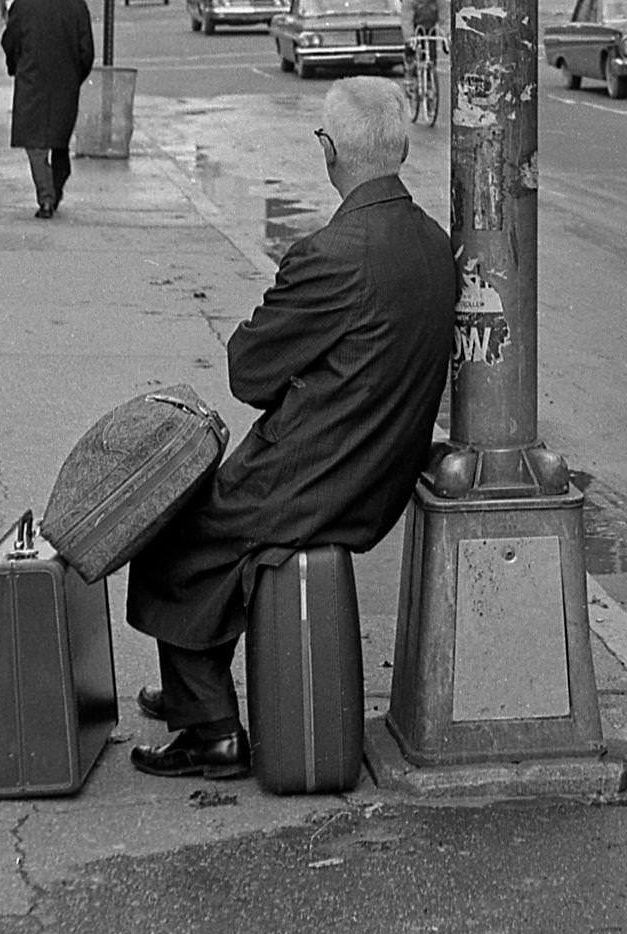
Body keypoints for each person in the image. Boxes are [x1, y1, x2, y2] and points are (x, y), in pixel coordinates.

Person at [125, 78, 456, 781]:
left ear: (328, 150)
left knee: (172, 539)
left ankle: (208, 730)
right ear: (397, 150)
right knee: (207, 534)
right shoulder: (432, 242)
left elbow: (249, 372)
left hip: (320, 474)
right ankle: (195, 689)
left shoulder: (333, 254)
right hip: (380, 468)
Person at [0, 0, 95, 219]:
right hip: (65, 85)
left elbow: (10, 42)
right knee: (59, 141)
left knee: (35, 145)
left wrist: (15, 67)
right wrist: (74, 77)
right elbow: (87, 52)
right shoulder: (77, 9)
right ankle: (54, 189)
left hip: (31, 82)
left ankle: (46, 197)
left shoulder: (23, 7)